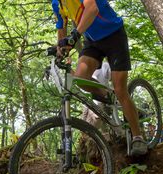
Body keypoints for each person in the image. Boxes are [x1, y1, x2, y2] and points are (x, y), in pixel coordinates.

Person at [51, 0, 147, 156]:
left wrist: (75, 35)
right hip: (93, 41)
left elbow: (92, 8)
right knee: (80, 77)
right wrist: (60, 48)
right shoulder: (56, 3)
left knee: (120, 89)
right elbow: (61, 25)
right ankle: (107, 97)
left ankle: (138, 137)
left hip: (114, 36)